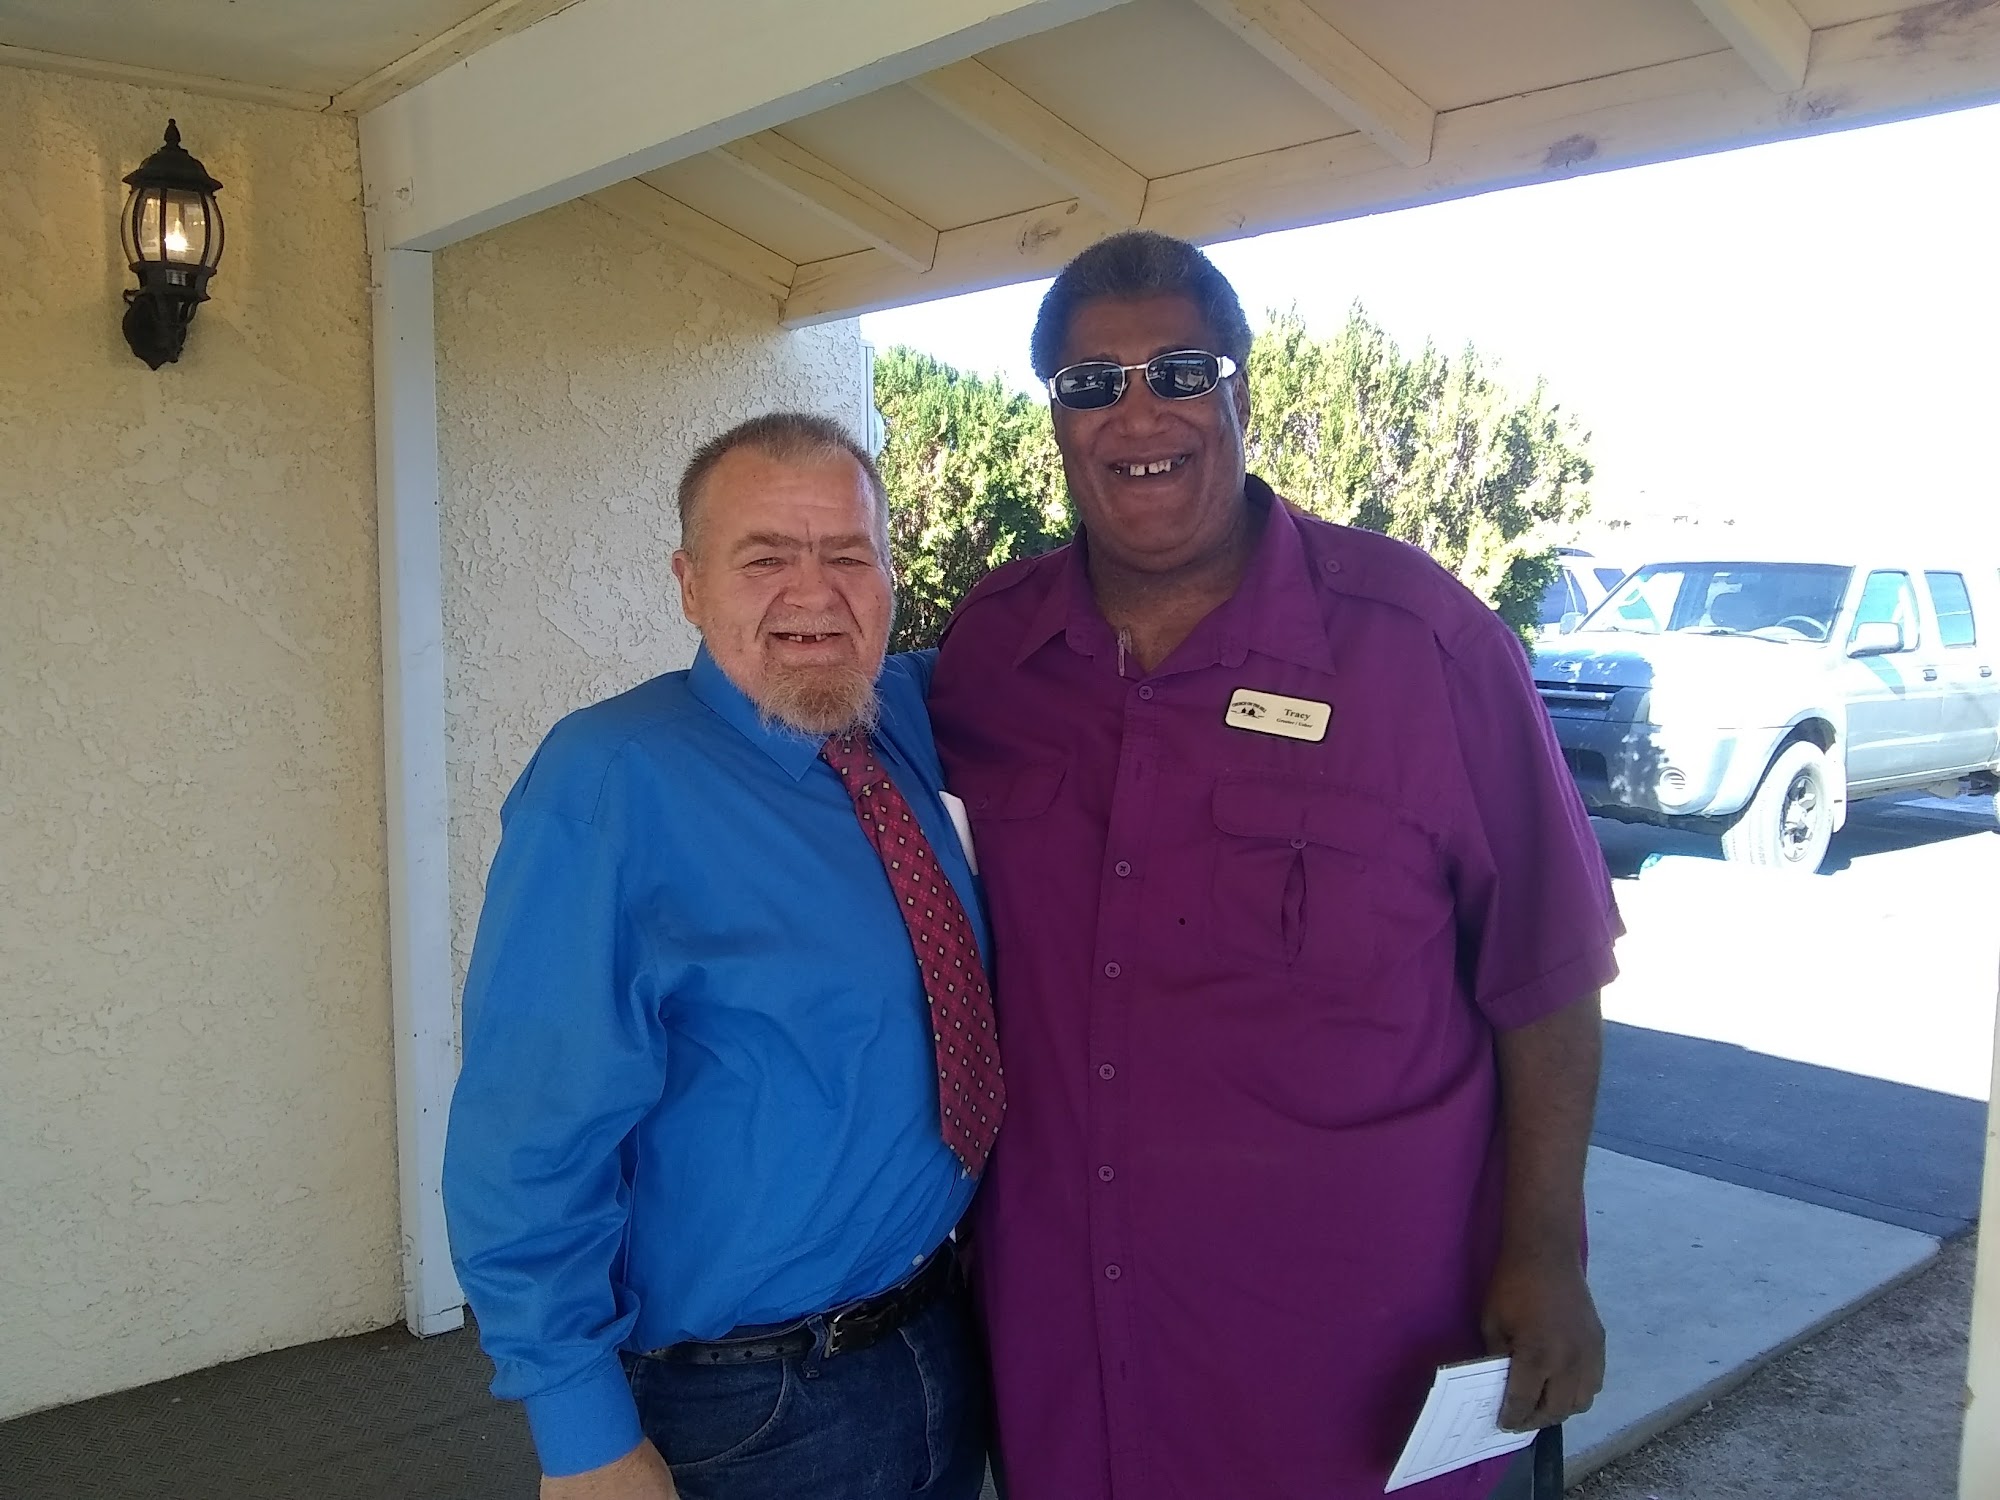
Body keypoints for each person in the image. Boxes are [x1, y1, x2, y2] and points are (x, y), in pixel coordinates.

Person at [926, 231, 1622, 1500]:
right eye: (1091, 383)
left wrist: (1542, 1252)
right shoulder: (991, 654)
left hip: (1348, 1353)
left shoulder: (1423, 647)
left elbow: (1548, 970)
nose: (1138, 412)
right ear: (1056, 418)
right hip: (1068, 1345)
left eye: (1178, 371)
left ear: (1239, 390)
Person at [444, 412, 996, 1500]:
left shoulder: (895, 723)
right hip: (747, 1404)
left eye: (848, 556)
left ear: (890, 580)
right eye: (764, 559)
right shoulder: (608, 785)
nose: (812, 593)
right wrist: (582, 1435)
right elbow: (526, 1138)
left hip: (937, 1335)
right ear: (689, 586)